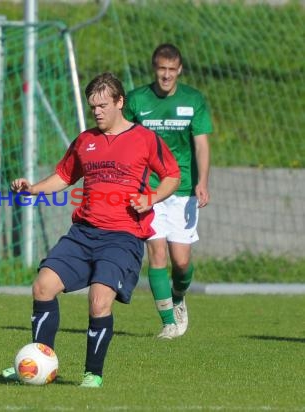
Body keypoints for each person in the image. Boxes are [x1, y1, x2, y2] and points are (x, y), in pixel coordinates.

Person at [3, 73, 180, 387]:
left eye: (102, 105)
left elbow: (172, 176)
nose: (97, 112)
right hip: (83, 233)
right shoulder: (85, 141)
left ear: (119, 102)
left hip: (122, 237)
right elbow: (63, 176)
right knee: (43, 286)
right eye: (92, 107)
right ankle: (39, 359)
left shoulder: (144, 138)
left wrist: (150, 197)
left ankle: (92, 373)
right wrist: (32, 189)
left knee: (99, 301)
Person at [123, 43, 212, 339]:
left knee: (182, 262)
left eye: (172, 70)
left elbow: (201, 144)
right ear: (154, 68)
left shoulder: (193, 100)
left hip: (184, 188)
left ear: (180, 70)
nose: (166, 75)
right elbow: (124, 140)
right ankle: (168, 323)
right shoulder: (136, 100)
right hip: (150, 190)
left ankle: (178, 297)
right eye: (161, 68)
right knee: (157, 253)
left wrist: (203, 182)